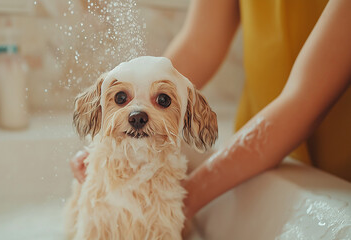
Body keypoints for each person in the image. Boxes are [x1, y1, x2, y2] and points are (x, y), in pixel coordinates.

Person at [71, 0, 351, 224]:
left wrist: (175, 200)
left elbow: (305, 100)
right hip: (258, 146)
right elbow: (200, 43)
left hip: (338, 171)